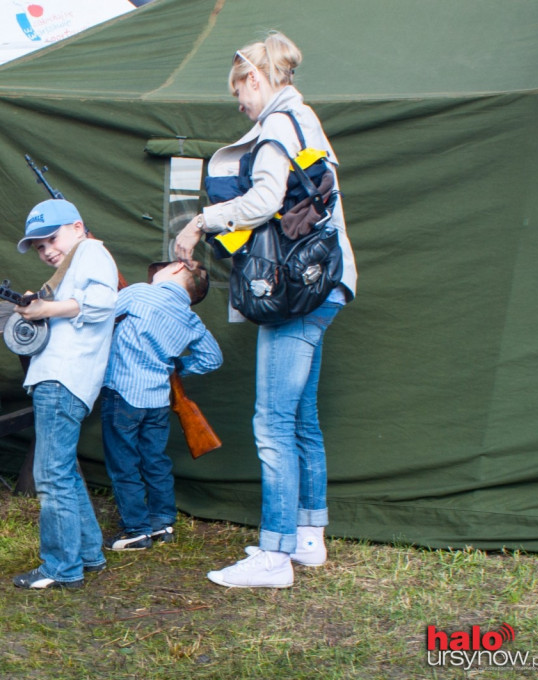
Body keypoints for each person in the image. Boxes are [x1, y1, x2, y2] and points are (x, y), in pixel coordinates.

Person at [173, 32, 358, 589]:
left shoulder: (278, 125)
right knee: (300, 418)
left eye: (239, 93)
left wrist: (201, 220)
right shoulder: (306, 119)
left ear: (255, 79)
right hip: (325, 283)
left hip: (296, 293)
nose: (240, 104)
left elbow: (265, 201)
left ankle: (274, 557)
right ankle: (308, 537)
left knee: (272, 423)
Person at [11, 198, 118, 589]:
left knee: (51, 475)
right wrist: (40, 305)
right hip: (63, 378)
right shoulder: (80, 261)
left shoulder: (91, 250)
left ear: (77, 226)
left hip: (63, 378)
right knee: (64, 472)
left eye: (51, 239)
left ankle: (61, 568)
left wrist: (45, 311)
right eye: (38, 247)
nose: (46, 250)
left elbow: (104, 304)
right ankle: (88, 554)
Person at [100, 261, 222, 551]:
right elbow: (212, 358)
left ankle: (136, 530)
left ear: (178, 268)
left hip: (123, 392)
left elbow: (97, 317)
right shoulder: (190, 319)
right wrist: (175, 365)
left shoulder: (140, 293)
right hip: (157, 400)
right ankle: (162, 521)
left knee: (124, 464)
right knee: (154, 459)